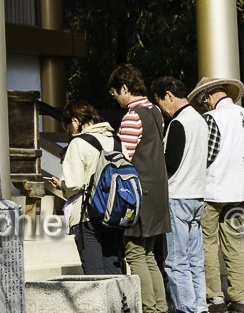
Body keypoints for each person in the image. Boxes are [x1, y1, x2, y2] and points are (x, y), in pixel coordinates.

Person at [190, 76, 244, 313]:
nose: (204, 105)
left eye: (204, 101)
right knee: (235, 244)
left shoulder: (212, 118)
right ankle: (240, 298)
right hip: (240, 190)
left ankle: (215, 298)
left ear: (210, 95)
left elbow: (206, 154)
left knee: (208, 244)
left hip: (213, 189)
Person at [109, 64, 170, 313]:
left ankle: (149, 308)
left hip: (138, 195)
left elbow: (124, 159)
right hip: (158, 192)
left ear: (125, 88)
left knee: (134, 253)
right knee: (149, 254)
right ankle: (160, 307)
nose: (115, 98)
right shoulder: (155, 111)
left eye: (115, 92)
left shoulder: (132, 117)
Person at [152, 76, 209, 313]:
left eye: (160, 102)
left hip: (178, 195)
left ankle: (186, 308)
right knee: (195, 259)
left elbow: (171, 164)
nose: (162, 109)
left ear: (168, 95)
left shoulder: (178, 123)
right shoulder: (200, 120)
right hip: (198, 195)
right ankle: (200, 306)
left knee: (176, 261)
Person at [59, 100, 126, 275]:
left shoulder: (78, 143)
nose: (70, 130)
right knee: (114, 272)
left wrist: (61, 186)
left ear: (75, 121)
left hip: (87, 214)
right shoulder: (116, 141)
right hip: (114, 212)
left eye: (69, 125)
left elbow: (74, 184)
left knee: (94, 274)